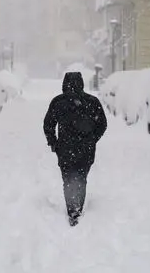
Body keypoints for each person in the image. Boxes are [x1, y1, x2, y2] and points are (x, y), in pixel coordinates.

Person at [43, 72, 107, 226]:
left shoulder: (58, 102)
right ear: (82, 83)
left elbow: (48, 125)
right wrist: (92, 140)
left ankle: (72, 209)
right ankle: (76, 207)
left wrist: (54, 143)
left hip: (65, 149)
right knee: (81, 177)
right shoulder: (92, 102)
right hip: (86, 149)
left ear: (64, 83)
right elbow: (102, 125)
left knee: (68, 178)